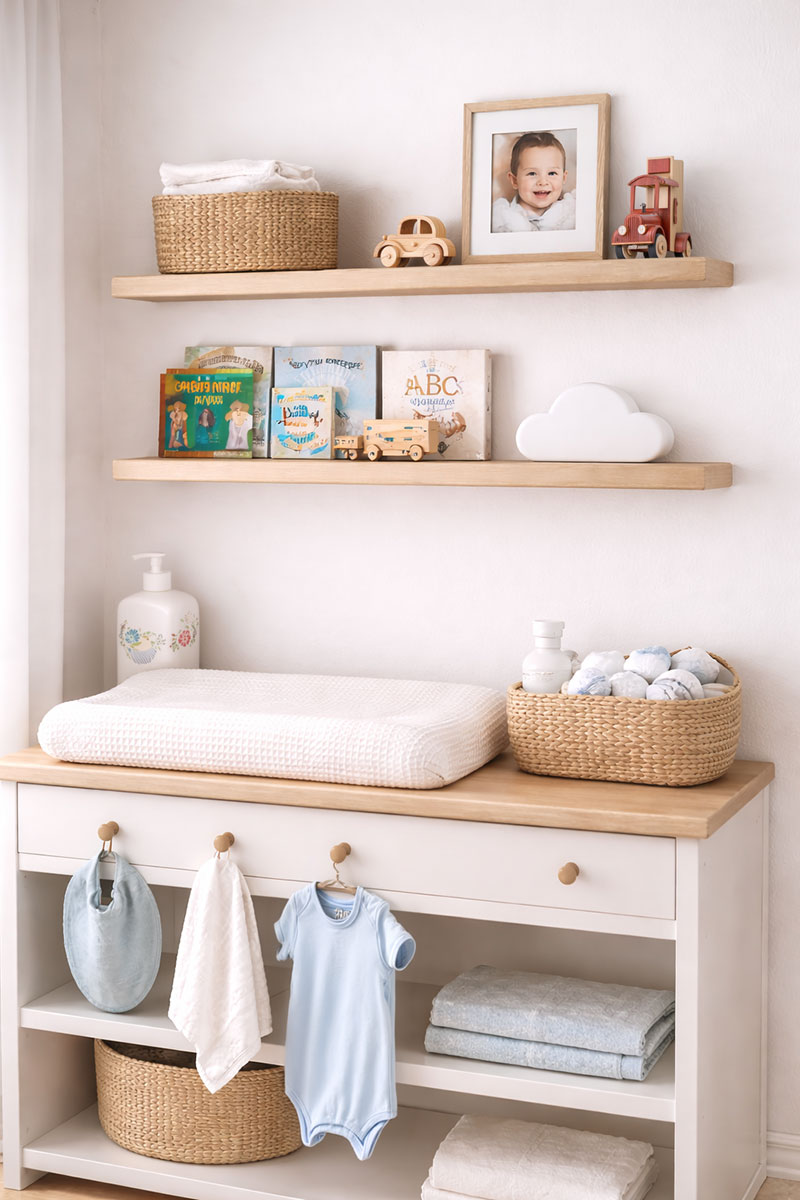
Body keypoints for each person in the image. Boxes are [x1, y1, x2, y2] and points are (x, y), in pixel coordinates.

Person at [492, 131, 576, 233]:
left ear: (563, 178)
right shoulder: (502, 219)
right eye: (532, 173)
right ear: (514, 180)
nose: (543, 182)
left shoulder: (571, 213)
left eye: (552, 173)